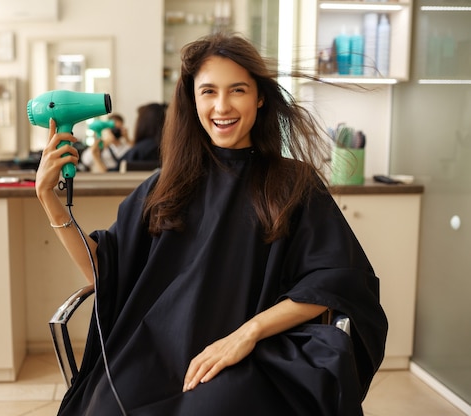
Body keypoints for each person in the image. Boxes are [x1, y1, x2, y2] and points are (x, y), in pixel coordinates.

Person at [36, 32, 387, 415]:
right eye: (208, 92)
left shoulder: (292, 183)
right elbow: (104, 269)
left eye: (237, 90)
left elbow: (335, 283)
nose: (222, 106)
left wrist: (246, 335)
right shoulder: (164, 185)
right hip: (156, 350)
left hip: (254, 354)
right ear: (192, 99)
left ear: (259, 97)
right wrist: (50, 201)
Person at [119, 102, 167, 169]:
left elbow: (114, 173)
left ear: (143, 123)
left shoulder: (141, 150)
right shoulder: (166, 148)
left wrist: (98, 158)